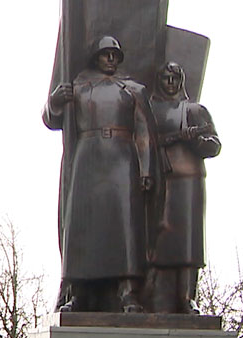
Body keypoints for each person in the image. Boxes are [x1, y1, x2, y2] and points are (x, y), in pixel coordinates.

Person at [44, 35, 153, 313]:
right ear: (97, 56)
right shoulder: (79, 86)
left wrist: (146, 168)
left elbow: (143, 133)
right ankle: (79, 292)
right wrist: (55, 101)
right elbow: (51, 120)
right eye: (106, 54)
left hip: (122, 158)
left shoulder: (133, 89)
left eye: (115, 55)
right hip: (87, 157)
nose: (110, 59)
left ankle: (128, 291)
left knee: (124, 226)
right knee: (83, 228)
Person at [146, 61, 221, 314]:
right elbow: (143, 141)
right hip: (160, 179)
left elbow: (214, 145)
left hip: (190, 182)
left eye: (174, 78)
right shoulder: (150, 110)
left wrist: (197, 140)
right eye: (166, 78)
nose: (170, 83)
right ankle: (152, 296)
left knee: (188, 242)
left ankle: (187, 297)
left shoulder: (195, 110)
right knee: (158, 239)